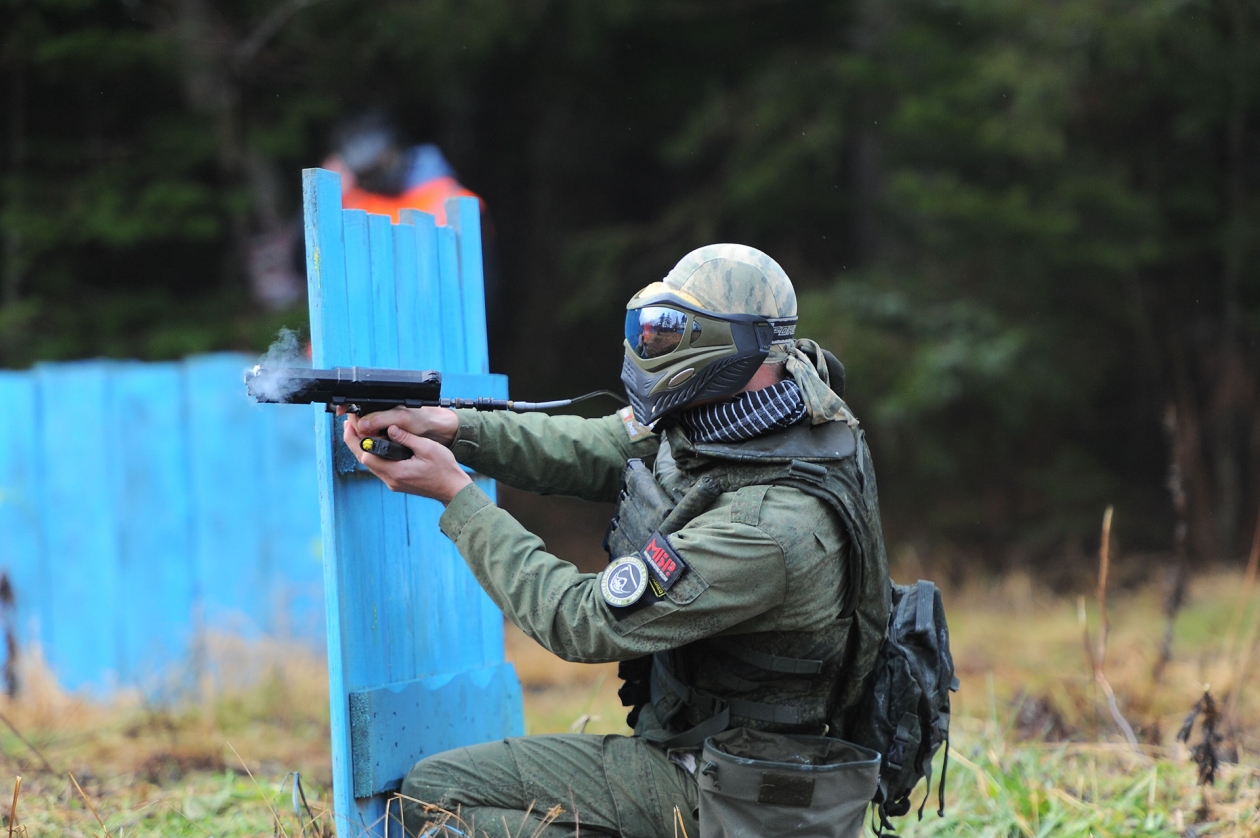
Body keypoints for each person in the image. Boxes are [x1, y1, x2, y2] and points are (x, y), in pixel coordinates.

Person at [341, 244, 893, 838]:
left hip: (742, 794)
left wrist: (458, 498)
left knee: (439, 796)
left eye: (671, 332)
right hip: (718, 749)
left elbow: (579, 621)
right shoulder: (773, 406)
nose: (652, 347)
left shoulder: (768, 530)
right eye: (652, 328)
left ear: (728, 346)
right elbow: (603, 447)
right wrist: (456, 429)